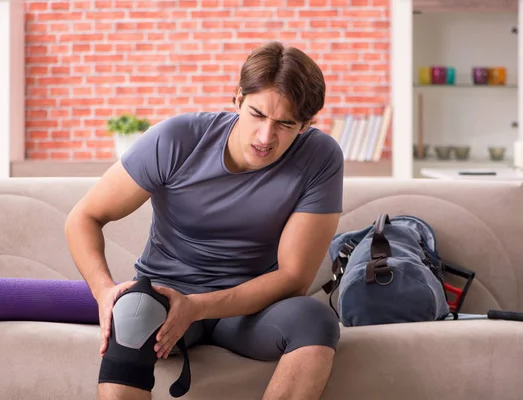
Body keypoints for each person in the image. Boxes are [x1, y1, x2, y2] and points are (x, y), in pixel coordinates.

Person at [65, 41, 344, 400]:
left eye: (285, 125)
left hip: (251, 310)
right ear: (238, 99)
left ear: (307, 124)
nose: (265, 137)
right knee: (131, 314)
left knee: (315, 319)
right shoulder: (178, 139)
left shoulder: (320, 158)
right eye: (257, 114)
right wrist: (104, 292)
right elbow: (84, 216)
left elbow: (293, 277)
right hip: (166, 296)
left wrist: (197, 307)